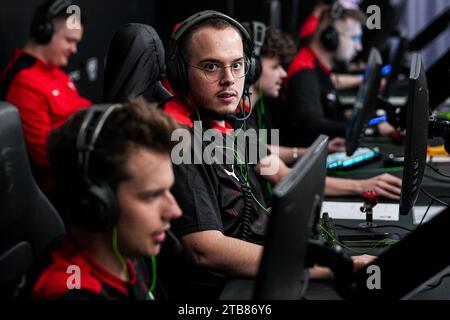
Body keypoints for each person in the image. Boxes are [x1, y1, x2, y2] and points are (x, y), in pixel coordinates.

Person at [160, 10, 374, 300]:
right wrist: (322, 267)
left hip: (259, 267)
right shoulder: (180, 138)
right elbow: (205, 248)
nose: (229, 79)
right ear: (180, 73)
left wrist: (362, 187)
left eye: (237, 66)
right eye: (211, 67)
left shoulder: (228, 119)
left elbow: (281, 176)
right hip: (224, 293)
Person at [32, 98, 182, 299]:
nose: (174, 211)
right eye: (151, 196)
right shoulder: (72, 293)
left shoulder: (128, 251)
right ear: (96, 203)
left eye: (168, 190)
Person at [243, 22, 401, 200]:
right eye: (275, 67)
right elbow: (283, 176)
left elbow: (258, 149)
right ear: (252, 68)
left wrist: (311, 152)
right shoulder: (234, 118)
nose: (284, 74)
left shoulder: (248, 112)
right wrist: (362, 186)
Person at [0, 0, 91, 192]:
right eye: (69, 40)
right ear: (45, 32)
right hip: (61, 190)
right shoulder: (23, 82)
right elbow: (45, 155)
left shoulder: (56, 70)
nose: (74, 49)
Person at [286, 4, 394, 148]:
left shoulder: (320, 67)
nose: (359, 47)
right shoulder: (304, 72)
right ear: (331, 37)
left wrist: (372, 120)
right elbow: (313, 124)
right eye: (354, 38)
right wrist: (369, 129)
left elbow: (331, 113)